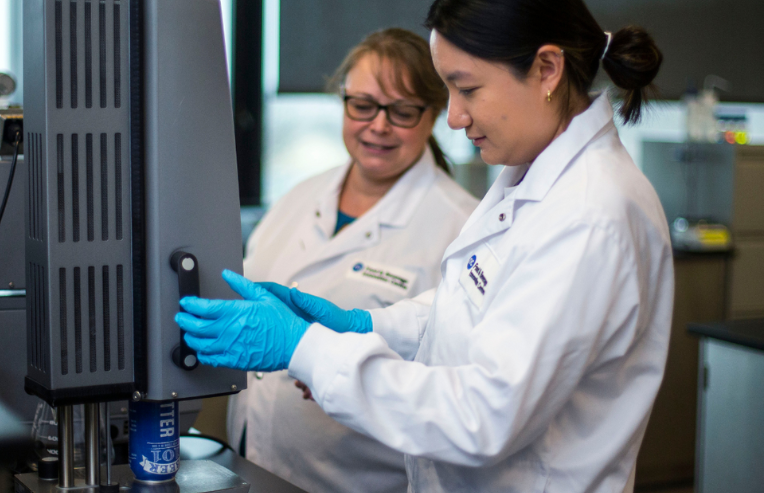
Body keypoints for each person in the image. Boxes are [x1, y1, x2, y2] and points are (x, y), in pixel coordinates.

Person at [177, 0, 674, 491]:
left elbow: (482, 416)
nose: (455, 118)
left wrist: (304, 347)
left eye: (467, 88)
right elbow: (470, 314)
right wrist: (365, 325)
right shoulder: (533, 179)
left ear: (547, 68)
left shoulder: (589, 214)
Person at [226, 28, 479, 493]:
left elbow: (460, 386)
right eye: (362, 105)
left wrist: (338, 366)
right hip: (253, 465)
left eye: (401, 111)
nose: (377, 126)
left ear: (435, 113)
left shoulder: (461, 229)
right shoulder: (298, 198)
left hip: (362, 480)